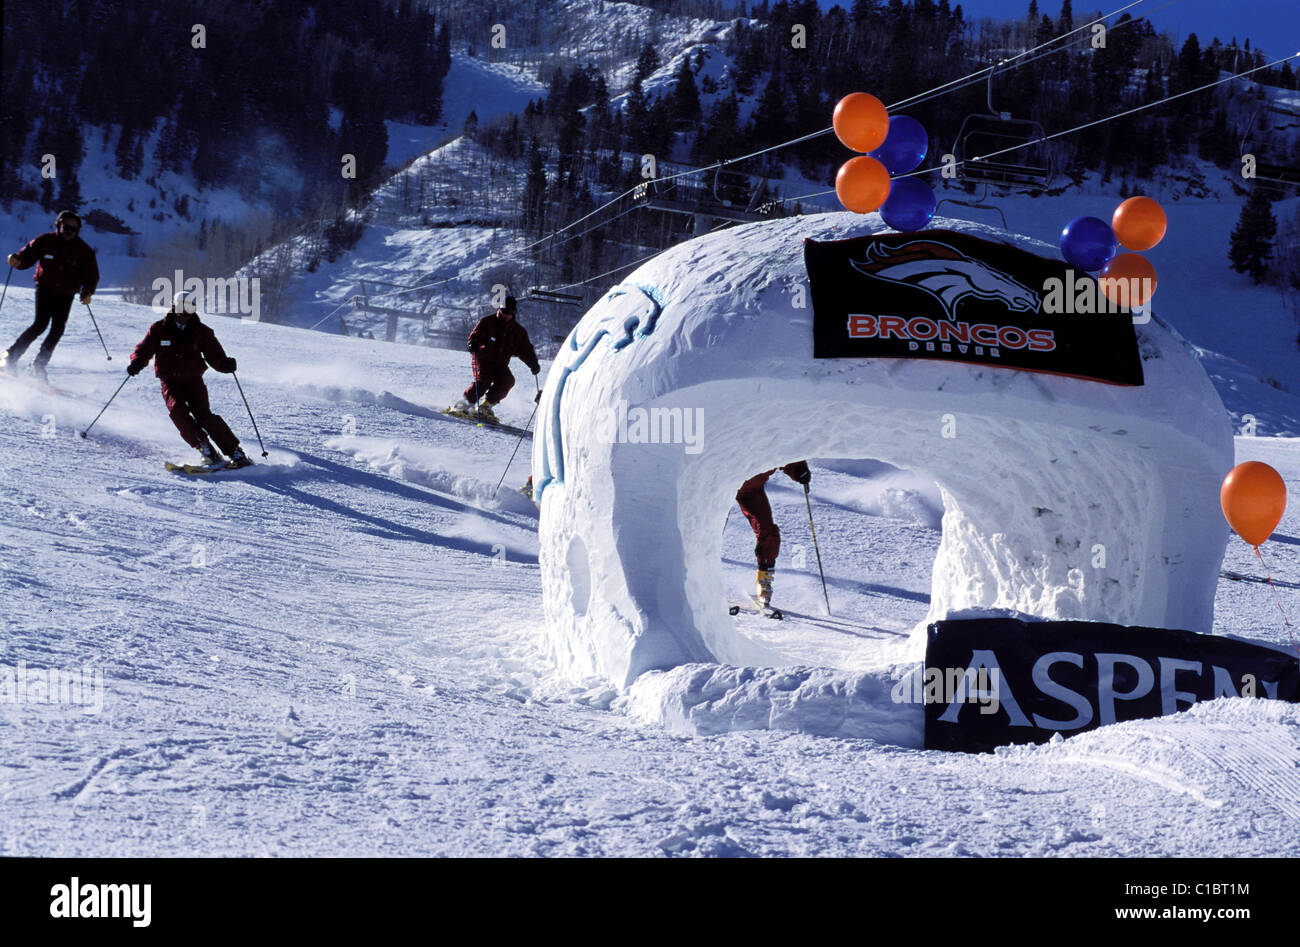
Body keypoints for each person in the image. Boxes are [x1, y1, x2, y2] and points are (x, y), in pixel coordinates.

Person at [128, 292, 250, 467]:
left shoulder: (201, 331)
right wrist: (137, 362)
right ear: (174, 307)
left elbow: (214, 354)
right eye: (182, 308)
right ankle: (205, 448)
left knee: (204, 415)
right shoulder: (159, 329)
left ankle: (235, 452)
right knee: (178, 412)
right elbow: (144, 349)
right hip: (170, 381)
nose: (186, 314)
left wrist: (224, 364)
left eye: (190, 309)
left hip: (193, 380)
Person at [2, 210, 100, 383]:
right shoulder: (45, 241)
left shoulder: (84, 251)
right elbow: (27, 257)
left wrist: (87, 291)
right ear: (59, 225)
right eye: (66, 226)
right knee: (40, 324)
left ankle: (38, 366)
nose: (69, 231)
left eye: (73, 228)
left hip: (66, 293)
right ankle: (10, 357)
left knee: (58, 328)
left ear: (78, 230)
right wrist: (17, 261)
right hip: (46, 288)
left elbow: (91, 275)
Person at [453, 295, 540, 423]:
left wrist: (533, 363)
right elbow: (474, 336)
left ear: (514, 313)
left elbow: (525, 350)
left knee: (507, 381)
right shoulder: (488, 322)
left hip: (500, 363)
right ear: (500, 309)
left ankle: (485, 407)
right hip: (482, 358)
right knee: (484, 380)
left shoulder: (518, 331)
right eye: (504, 312)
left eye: (510, 313)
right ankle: (463, 404)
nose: (507, 315)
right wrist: (473, 343)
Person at [735, 461, 811, 606]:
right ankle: (700, 576)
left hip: (751, 490)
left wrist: (799, 469)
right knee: (710, 531)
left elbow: (785, 448)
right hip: (721, 486)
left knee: (768, 532)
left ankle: (763, 579)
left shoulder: (771, 438)